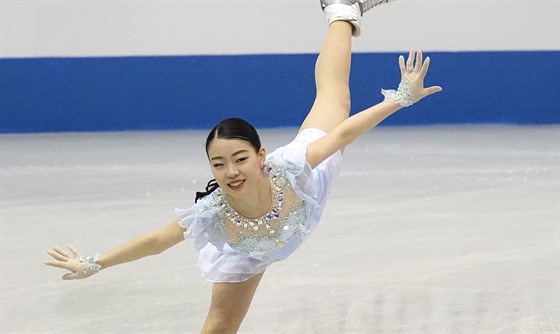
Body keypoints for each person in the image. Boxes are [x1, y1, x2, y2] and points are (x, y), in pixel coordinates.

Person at [45, 0, 442, 333]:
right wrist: (95, 263)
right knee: (219, 327)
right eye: (219, 164)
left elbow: (340, 136)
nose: (231, 171)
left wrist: (400, 99)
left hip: (308, 191)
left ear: (260, 155)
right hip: (250, 250)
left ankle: (342, 9)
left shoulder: (289, 166)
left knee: (335, 100)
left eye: (239, 159)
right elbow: (156, 241)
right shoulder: (214, 212)